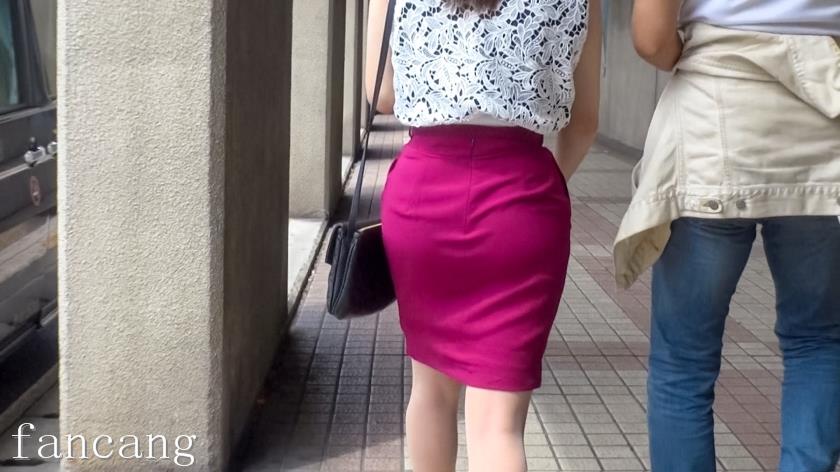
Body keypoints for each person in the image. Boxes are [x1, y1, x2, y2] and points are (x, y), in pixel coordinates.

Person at [365, 0, 601, 470]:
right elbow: (585, 122)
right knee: (498, 425)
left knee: (430, 392)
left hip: (422, 196)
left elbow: (383, 95)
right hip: (523, 199)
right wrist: (539, 189)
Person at [615, 1, 840, 471]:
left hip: (713, 119)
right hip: (824, 117)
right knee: (817, 343)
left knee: (683, 364)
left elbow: (651, 39)